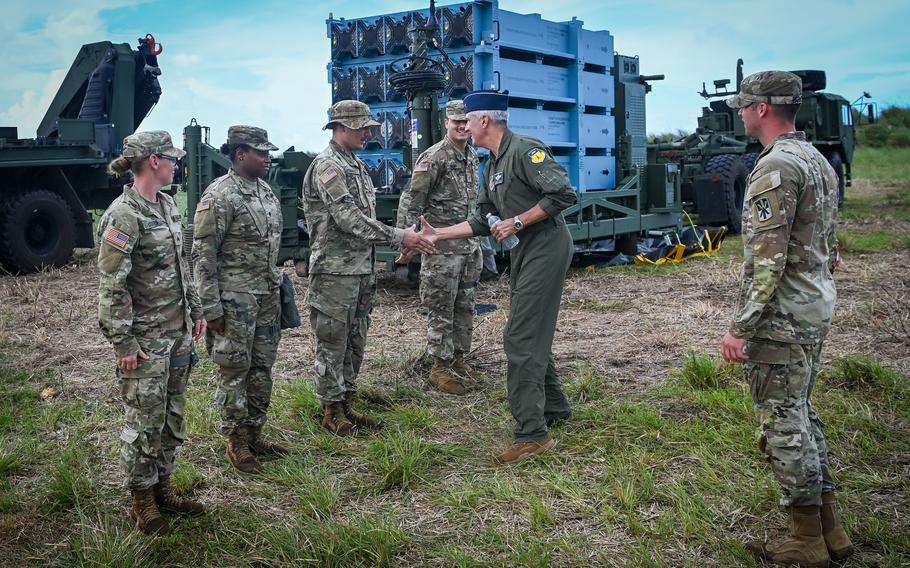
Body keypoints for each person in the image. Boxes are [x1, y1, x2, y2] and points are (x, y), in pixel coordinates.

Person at [720, 71, 852, 566]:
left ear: (761, 109)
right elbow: (828, 244)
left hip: (783, 316)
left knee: (782, 421)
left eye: (744, 105)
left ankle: (806, 539)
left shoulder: (774, 167)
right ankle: (830, 529)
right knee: (801, 410)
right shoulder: (816, 159)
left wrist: (741, 326)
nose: (740, 113)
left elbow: (768, 259)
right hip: (814, 305)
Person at [420, 90, 576, 465]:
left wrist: (519, 220)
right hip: (525, 251)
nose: (465, 127)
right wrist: (438, 234)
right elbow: (481, 220)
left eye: (468, 121)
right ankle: (553, 407)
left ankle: (532, 435)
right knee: (528, 330)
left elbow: (564, 194)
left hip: (546, 246)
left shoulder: (525, 150)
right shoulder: (490, 164)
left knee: (520, 336)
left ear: (484, 121)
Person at [301, 99, 435, 435]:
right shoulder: (327, 166)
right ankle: (330, 410)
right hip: (334, 272)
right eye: (362, 128)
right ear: (342, 127)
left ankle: (346, 402)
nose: (367, 133)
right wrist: (399, 236)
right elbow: (349, 220)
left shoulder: (354, 165)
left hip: (360, 270)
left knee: (356, 338)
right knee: (333, 340)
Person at [98, 131, 207, 535]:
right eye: (172, 158)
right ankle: (142, 501)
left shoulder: (166, 205)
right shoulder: (123, 215)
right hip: (145, 341)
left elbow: (183, 264)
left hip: (177, 332)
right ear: (153, 162)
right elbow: (112, 285)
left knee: (171, 415)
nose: (177, 163)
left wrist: (195, 310)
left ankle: (164, 488)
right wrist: (123, 341)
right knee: (144, 421)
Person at [192, 125, 287, 474]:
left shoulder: (265, 191)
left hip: (265, 297)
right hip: (234, 300)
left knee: (262, 366)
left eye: (268, 152)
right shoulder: (219, 195)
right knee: (234, 369)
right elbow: (203, 255)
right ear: (240, 154)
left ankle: (253, 431)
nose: (267, 158)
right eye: (261, 152)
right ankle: (235, 440)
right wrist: (211, 308)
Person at [396, 99, 482, 395]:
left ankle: (458, 359)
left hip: (468, 246)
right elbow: (412, 200)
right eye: (455, 121)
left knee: (465, 305)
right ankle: (439, 367)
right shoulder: (433, 157)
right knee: (441, 306)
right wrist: (406, 239)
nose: (461, 126)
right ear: (446, 122)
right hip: (441, 249)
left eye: (465, 121)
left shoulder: (472, 156)